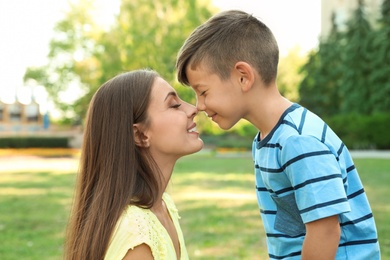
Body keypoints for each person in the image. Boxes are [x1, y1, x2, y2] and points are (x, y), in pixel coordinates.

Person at [175, 10, 380, 259]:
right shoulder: (266, 140)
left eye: (203, 91)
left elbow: (325, 231)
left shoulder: (298, 141)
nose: (199, 105)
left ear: (243, 77)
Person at [64, 69, 203, 260]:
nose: (192, 109)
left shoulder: (163, 205)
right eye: (174, 105)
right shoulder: (137, 238)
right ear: (140, 135)